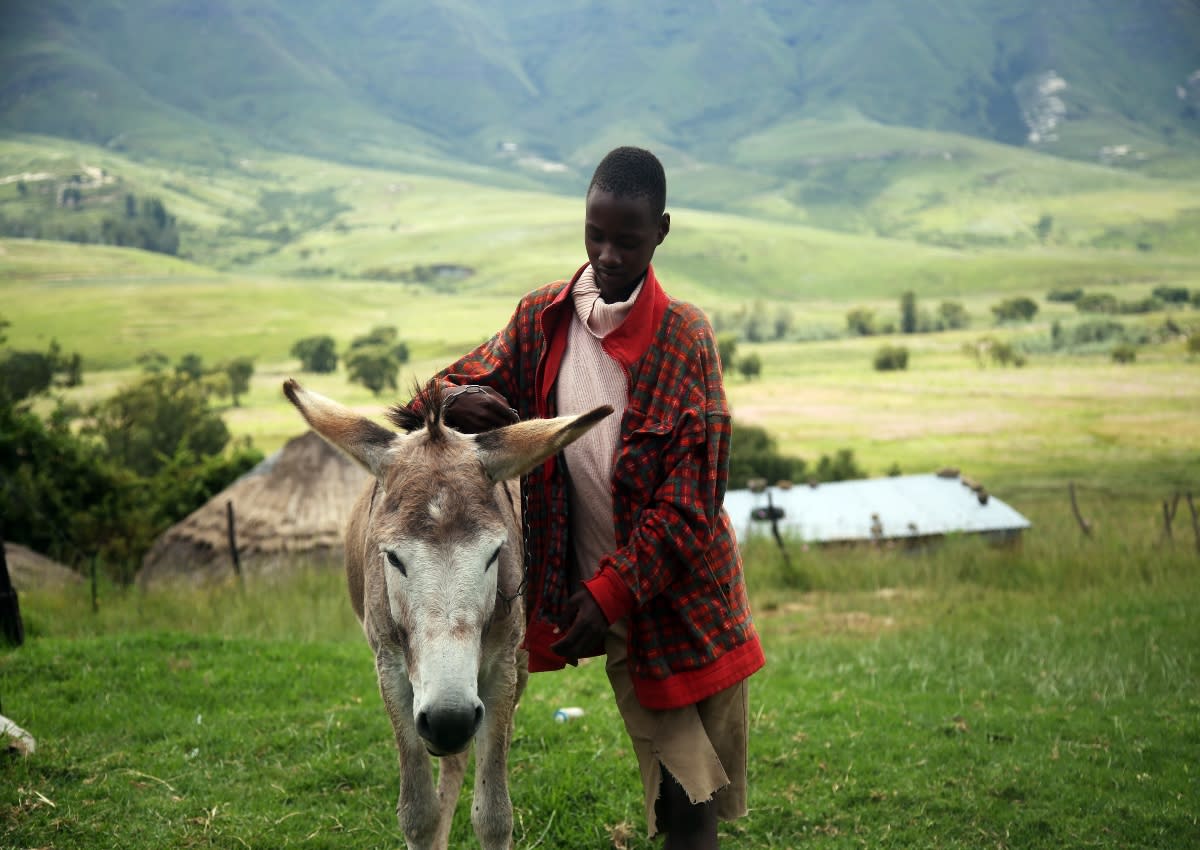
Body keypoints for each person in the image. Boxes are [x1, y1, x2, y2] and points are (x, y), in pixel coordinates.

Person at [432, 145, 765, 849]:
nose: (609, 254)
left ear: (662, 232)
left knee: (689, 795)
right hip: (591, 589)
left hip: (679, 600)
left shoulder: (684, 341)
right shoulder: (544, 321)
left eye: (629, 239)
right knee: (683, 783)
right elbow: (446, 387)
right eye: (596, 234)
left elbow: (689, 508)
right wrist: (457, 399)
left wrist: (613, 592)